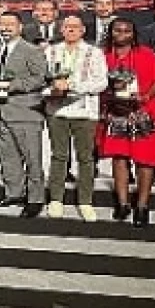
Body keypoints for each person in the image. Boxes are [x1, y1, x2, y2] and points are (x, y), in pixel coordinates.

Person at [97, 17, 155, 226]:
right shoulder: (102, 55)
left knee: (145, 160)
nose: (121, 34)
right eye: (117, 30)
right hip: (116, 112)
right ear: (110, 32)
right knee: (119, 157)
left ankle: (142, 206)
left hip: (145, 111)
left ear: (133, 34)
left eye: (126, 30)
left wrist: (146, 96)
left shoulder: (146, 53)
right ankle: (123, 204)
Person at [43, 16, 108, 222]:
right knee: (58, 156)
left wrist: (73, 87)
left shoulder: (94, 52)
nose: (71, 30)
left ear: (83, 30)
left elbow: (101, 82)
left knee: (86, 158)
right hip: (57, 111)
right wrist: (52, 89)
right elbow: (42, 79)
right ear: (61, 30)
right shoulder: (50, 51)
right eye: (67, 27)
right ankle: (56, 199)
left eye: (75, 27)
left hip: (85, 112)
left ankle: (85, 201)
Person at [0, 12, 49, 219]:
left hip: (25, 112)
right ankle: (14, 193)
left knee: (32, 159)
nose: (5, 28)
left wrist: (11, 85)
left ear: (20, 27)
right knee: (8, 157)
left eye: (10, 24)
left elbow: (40, 78)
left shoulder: (32, 50)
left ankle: (35, 199)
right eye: (2, 24)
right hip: (0, 111)